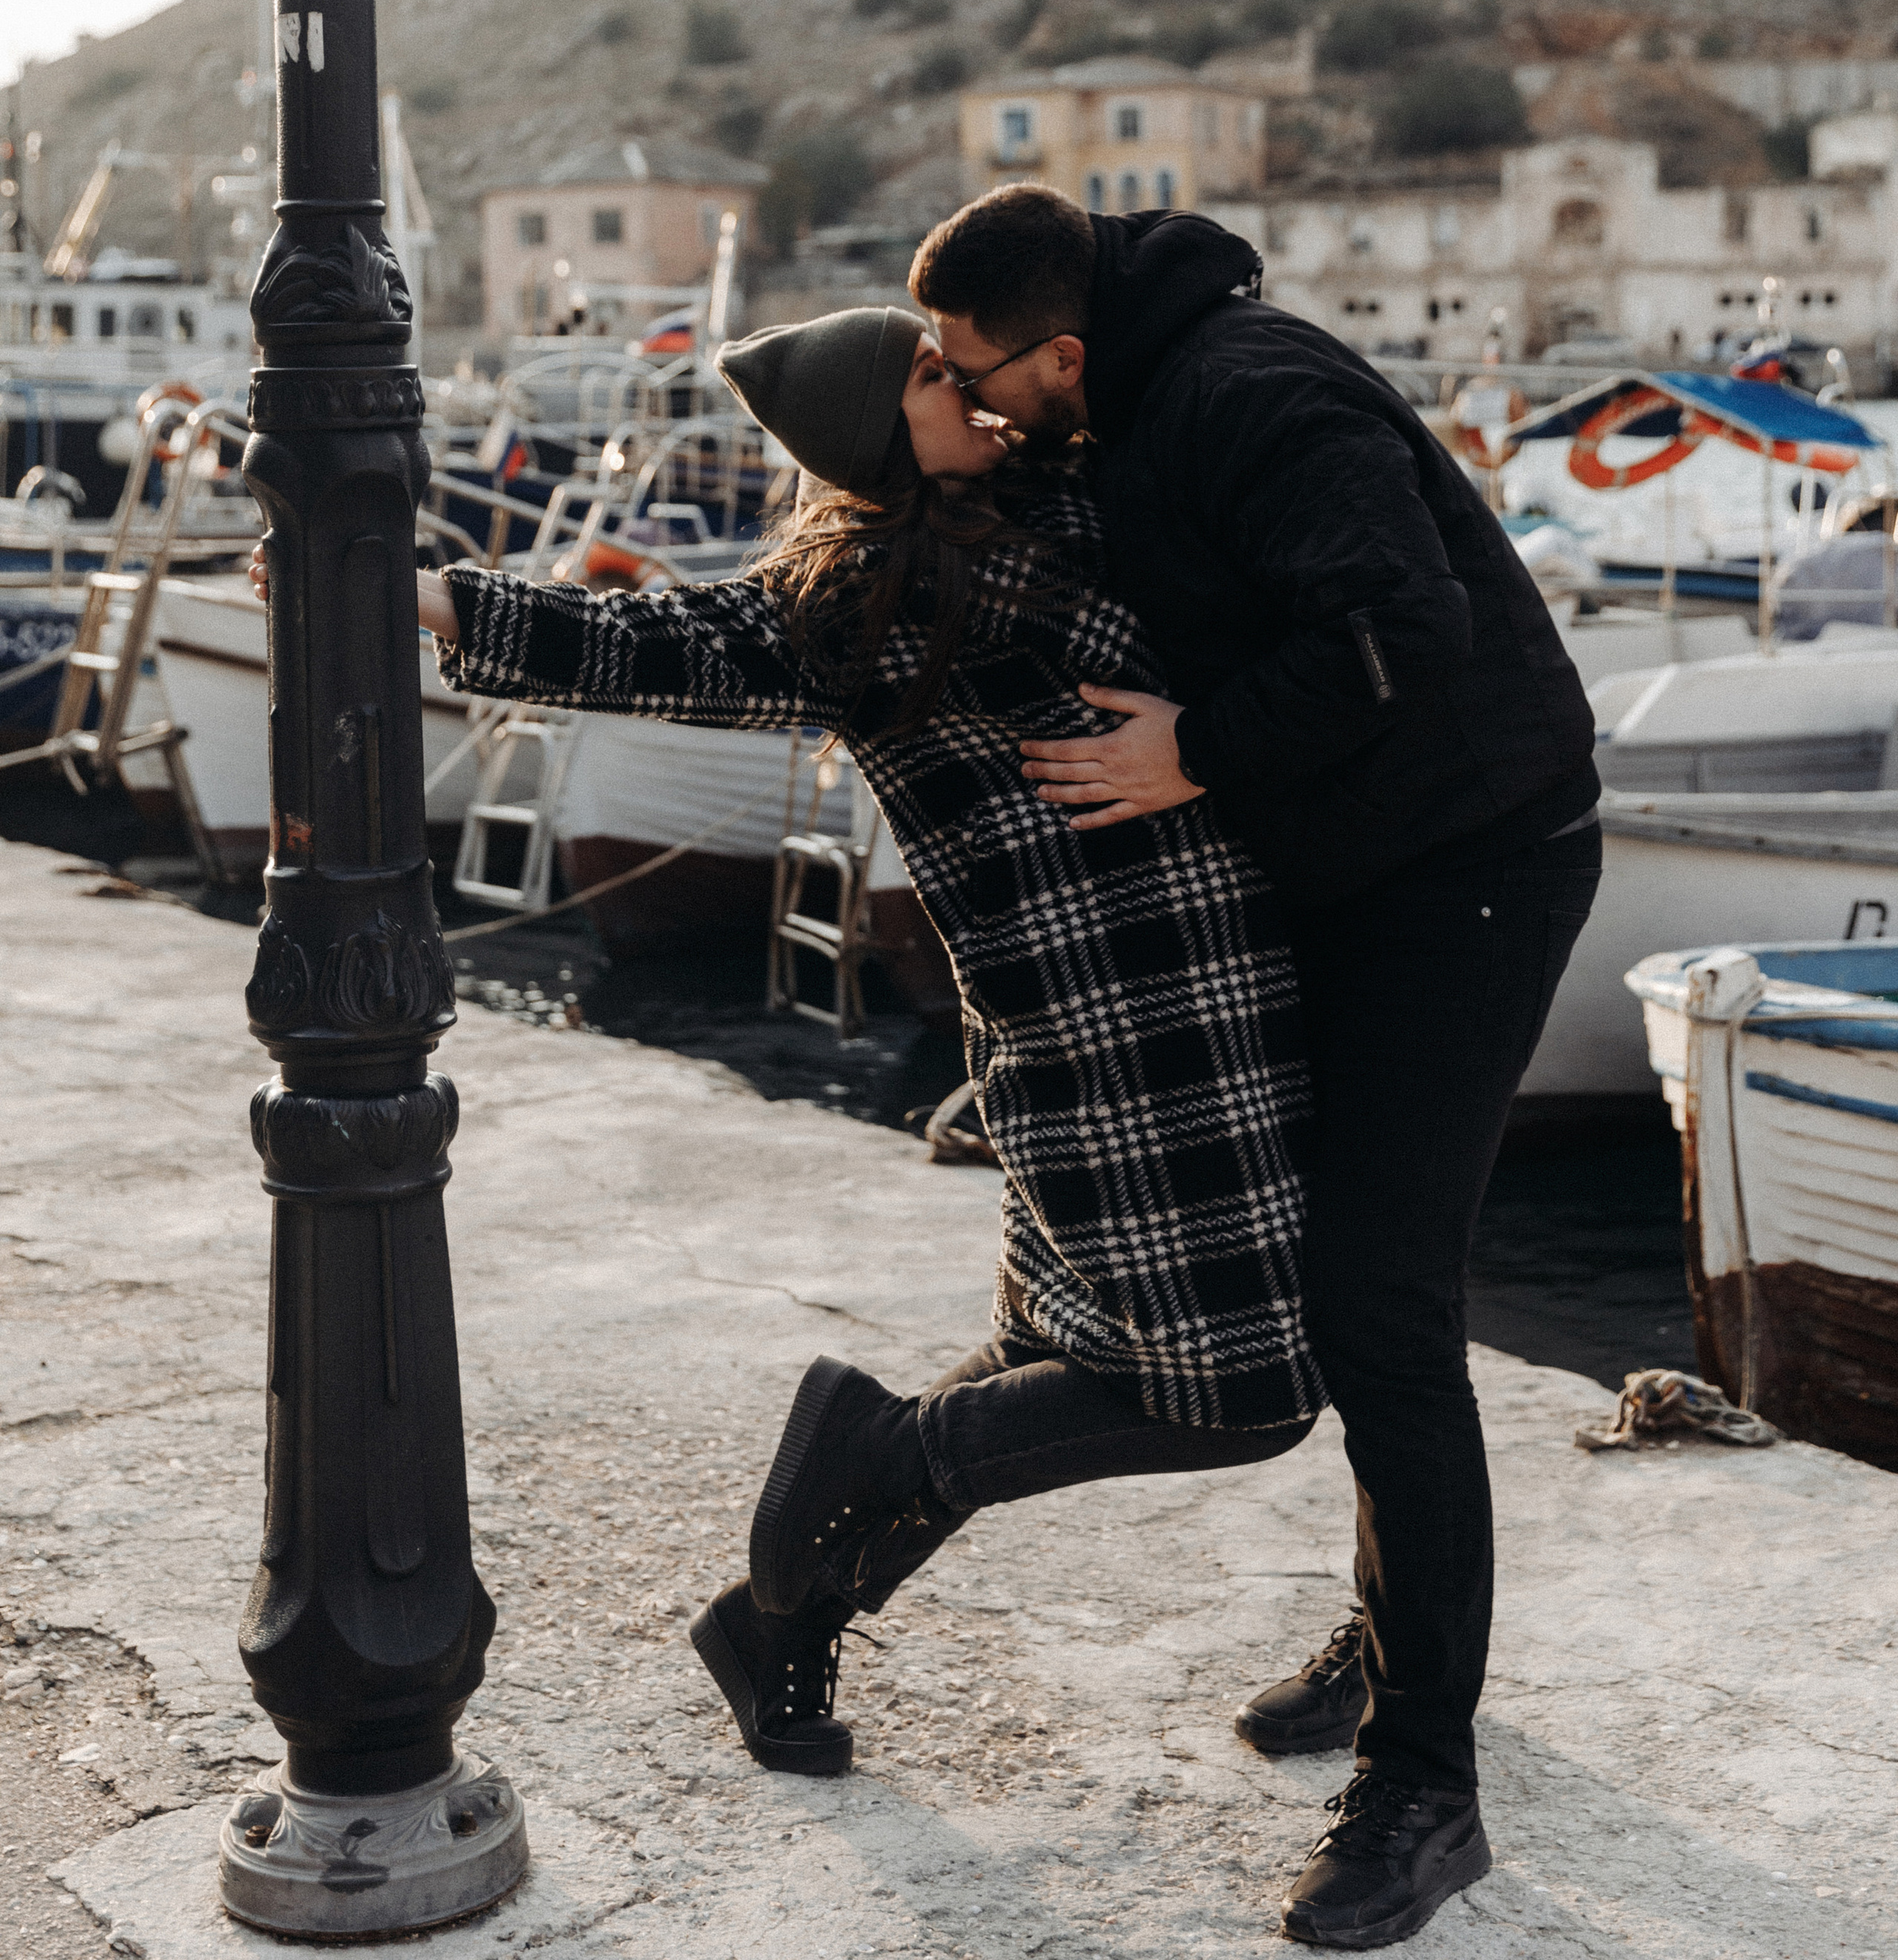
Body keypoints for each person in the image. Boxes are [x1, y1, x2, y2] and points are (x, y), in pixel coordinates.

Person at [262, 312, 1323, 1808]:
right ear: (877, 437)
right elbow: (643, 641)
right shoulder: (848, 602)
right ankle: (858, 1456)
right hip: (1100, 1053)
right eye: (935, 382)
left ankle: (775, 1626)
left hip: (1235, 1014)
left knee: (1048, 1363)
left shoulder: (1085, 502)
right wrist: (423, 597)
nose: (972, 391)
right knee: (1242, 1396)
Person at [909, 186, 1601, 1951]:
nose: (975, 406)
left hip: (1470, 862)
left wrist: (1195, 751)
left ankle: (1423, 1787)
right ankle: (1392, 1652)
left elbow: (1399, 632)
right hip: (1354, 862)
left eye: (981, 379)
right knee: (1343, 1292)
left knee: (1381, 1314)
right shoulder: (1122, 397)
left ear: (1060, 349)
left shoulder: (1247, 390)